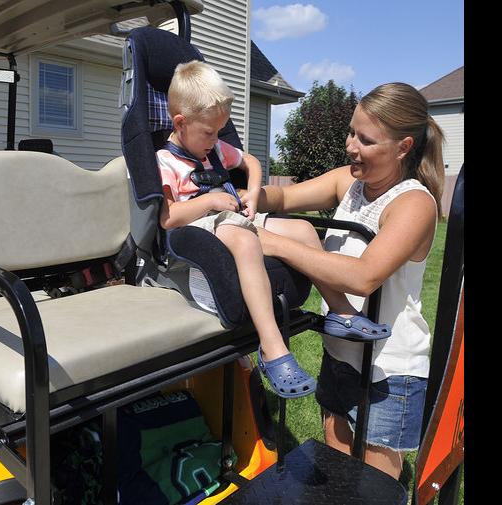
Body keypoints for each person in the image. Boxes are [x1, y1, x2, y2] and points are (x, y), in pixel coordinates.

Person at [156, 60, 390, 400]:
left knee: (304, 230)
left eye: (220, 131)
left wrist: (252, 191)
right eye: (209, 132)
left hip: (231, 214)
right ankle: (272, 348)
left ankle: (340, 310)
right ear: (181, 123)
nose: (215, 139)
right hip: (199, 226)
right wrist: (213, 201)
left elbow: (250, 161)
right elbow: (167, 217)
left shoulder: (214, 148)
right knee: (246, 239)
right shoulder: (166, 161)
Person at [255, 82, 445, 479]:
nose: (350, 145)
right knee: (338, 480)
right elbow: (282, 199)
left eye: (365, 139)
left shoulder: (413, 203)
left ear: (403, 147)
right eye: (351, 132)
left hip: (388, 372)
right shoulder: (350, 182)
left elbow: (364, 277)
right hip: (340, 355)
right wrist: (238, 195)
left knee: (372, 490)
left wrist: (274, 242)